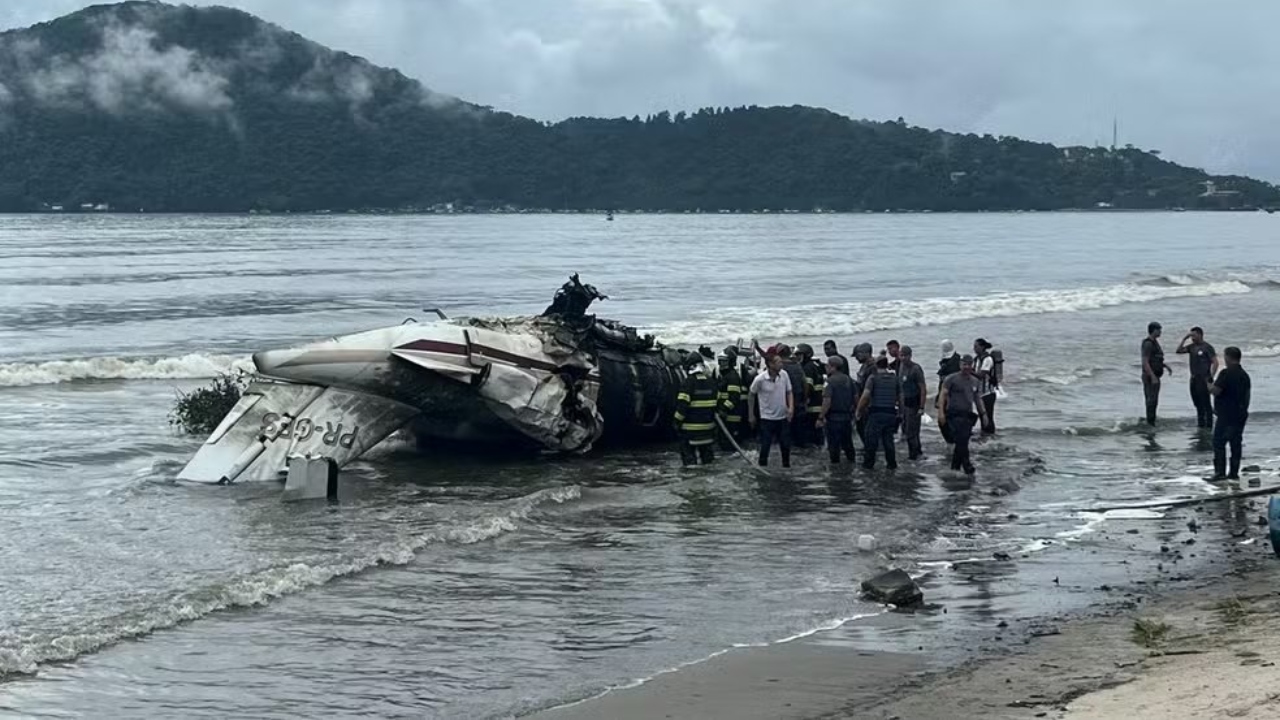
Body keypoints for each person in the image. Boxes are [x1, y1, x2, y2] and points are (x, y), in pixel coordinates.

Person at [938, 355, 987, 476]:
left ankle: (955, 468)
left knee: (962, 441)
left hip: (967, 415)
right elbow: (942, 395)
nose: (967, 367)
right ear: (960, 365)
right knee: (962, 440)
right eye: (964, 364)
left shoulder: (975, 381)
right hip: (953, 414)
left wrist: (984, 415)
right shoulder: (951, 379)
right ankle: (967, 466)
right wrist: (941, 414)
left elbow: (978, 399)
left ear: (972, 366)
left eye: (969, 365)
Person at [1209, 346, 1251, 481]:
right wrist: (1244, 410)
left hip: (1226, 415)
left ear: (1228, 357)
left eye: (1225, 356)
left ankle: (1220, 472)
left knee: (1218, 443)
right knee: (1235, 443)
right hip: (1240, 414)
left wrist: (1207, 384)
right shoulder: (1244, 375)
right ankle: (1233, 473)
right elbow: (1247, 396)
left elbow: (1216, 391)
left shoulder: (1226, 373)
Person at [749, 351, 794, 468]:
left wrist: (791, 408)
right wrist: (751, 415)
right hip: (766, 418)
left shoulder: (784, 374)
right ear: (770, 364)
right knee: (765, 446)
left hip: (783, 416)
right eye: (778, 362)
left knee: (785, 445)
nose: (781, 364)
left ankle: (786, 467)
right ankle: (762, 467)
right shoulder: (760, 379)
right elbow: (751, 394)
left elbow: (789, 392)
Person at [856, 355, 901, 470]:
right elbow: (901, 397)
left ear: (876, 365)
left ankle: (868, 465)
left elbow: (865, 396)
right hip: (891, 413)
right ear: (886, 365)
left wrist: (859, 410)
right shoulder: (895, 378)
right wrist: (900, 412)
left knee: (871, 440)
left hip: (876, 412)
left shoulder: (873, 378)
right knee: (888, 440)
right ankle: (891, 465)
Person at [674, 355, 718, 466]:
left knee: (690, 465)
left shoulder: (688, 383)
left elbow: (682, 407)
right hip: (708, 430)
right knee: (708, 463)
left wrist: (676, 422)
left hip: (689, 432)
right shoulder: (712, 382)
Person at [1176, 327, 1219, 429]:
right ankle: (1201, 425)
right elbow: (1178, 351)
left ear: (1200, 335)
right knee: (1197, 403)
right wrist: (1184, 339)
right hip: (1194, 379)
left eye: (1194, 335)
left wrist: (1211, 377)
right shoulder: (1191, 347)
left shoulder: (1207, 347)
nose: (1192, 338)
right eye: (1191, 336)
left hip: (1204, 379)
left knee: (1206, 404)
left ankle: (1209, 426)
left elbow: (1215, 362)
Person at [817, 355, 857, 465]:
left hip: (833, 419)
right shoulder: (848, 380)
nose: (826, 368)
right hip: (847, 418)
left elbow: (827, 401)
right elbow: (855, 397)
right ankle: (851, 465)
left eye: (828, 366)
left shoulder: (829, 382)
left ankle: (836, 471)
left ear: (833, 367)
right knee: (848, 444)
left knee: (834, 446)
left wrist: (820, 417)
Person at [1141, 322, 1175, 426]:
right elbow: (1145, 361)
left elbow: (1155, 359)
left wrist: (1164, 366)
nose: (1160, 331)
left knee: (1154, 400)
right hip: (1150, 376)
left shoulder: (1155, 342)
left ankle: (1151, 420)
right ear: (1153, 330)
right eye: (1159, 329)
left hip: (1155, 374)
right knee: (1151, 400)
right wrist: (1152, 376)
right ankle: (1150, 422)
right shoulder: (1148, 343)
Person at [897, 345, 928, 460]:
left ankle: (914, 456)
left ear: (910, 356)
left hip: (914, 404)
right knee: (906, 429)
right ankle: (918, 452)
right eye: (901, 355)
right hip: (904, 403)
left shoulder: (916, 369)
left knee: (912, 432)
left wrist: (921, 407)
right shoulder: (900, 366)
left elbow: (923, 388)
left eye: (905, 356)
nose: (903, 358)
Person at [777, 344, 810, 448]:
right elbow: (805, 384)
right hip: (799, 400)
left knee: (786, 430)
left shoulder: (780, 367)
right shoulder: (797, 366)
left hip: (785, 401)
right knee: (799, 429)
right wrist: (805, 399)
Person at [716, 348, 748, 449]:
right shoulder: (725, 376)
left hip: (731, 415)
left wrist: (723, 409)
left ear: (731, 362)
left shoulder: (732, 377)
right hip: (726, 416)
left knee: (730, 444)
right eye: (720, 361)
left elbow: (734, 398)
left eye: (724, 361)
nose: (721, 364)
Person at [797, 343, 826, 447]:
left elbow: (808, 386)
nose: (797, 357)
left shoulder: (807, 368)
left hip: (812, 405)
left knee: (812, 431)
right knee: (818, 432)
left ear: (806, 355)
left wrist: (804, 400)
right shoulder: (816, 365)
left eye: (799, 355)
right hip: (819, 403)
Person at [851, 343, 876, 443]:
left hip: (868, 404)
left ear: (866, 353)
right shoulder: (864, 367)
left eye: (858, 354)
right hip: (862, 401)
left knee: (867, 429)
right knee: (861, 428)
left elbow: (870, 388)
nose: (857, 358)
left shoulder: (872, 367)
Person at [973, 338, 998, 434]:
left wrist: (969, 371)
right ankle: (985, 433)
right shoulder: (976, 359)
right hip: (978, 393)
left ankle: (990, 434)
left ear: (982, 347)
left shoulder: (988, 359)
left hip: (988, 393)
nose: (974, 349)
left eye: (976, 346)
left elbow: (981, 375)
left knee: (988, 416)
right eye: (974, 347)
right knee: (982, 415)